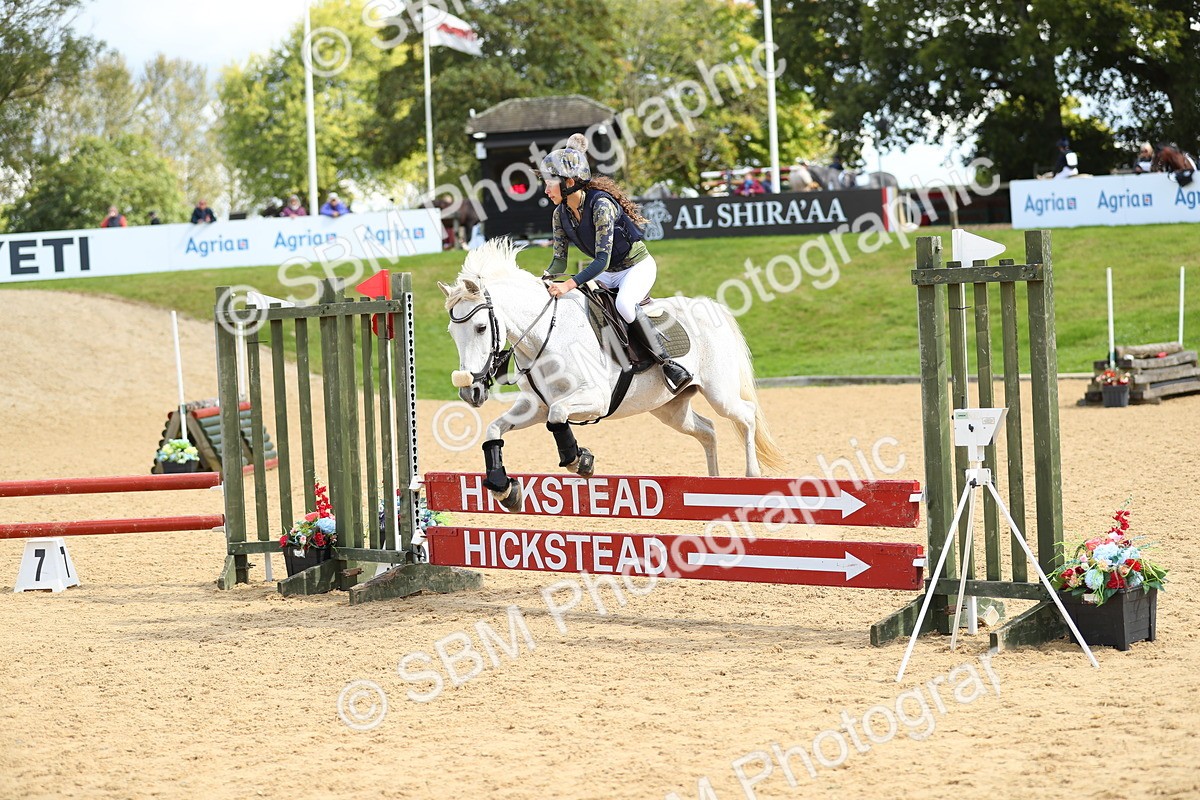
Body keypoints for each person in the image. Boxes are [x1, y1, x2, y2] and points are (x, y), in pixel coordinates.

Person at [542, 133, 692, 394]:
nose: (545, 190)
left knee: (623, 304)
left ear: (568, 182)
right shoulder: (560, 214)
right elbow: (559, 261)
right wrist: (542, 278)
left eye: (549, 184)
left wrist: (568, 284)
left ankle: (667, 362)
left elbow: (602, 259)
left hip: (636, 267)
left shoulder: (601, 206)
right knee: (580, 305)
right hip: (608, 273)